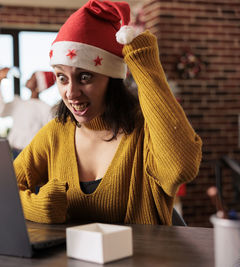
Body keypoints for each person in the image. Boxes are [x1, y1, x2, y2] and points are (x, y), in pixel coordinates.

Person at [13, 0, 202, 225]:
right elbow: (2, 188)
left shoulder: (143, 132)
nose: (71, 92)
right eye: (62, 77)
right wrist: (36, 207)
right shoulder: (56, 132)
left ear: (112, 79)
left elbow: (181, 169)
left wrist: (146, 66)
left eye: (85, 77)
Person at [0, 69, 56, 157]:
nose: (28, 79)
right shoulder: (18, 103)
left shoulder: (45, 108)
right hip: (12, 151)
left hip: (32, 154)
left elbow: (50, 134)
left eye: (32, 78)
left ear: (39, 85)